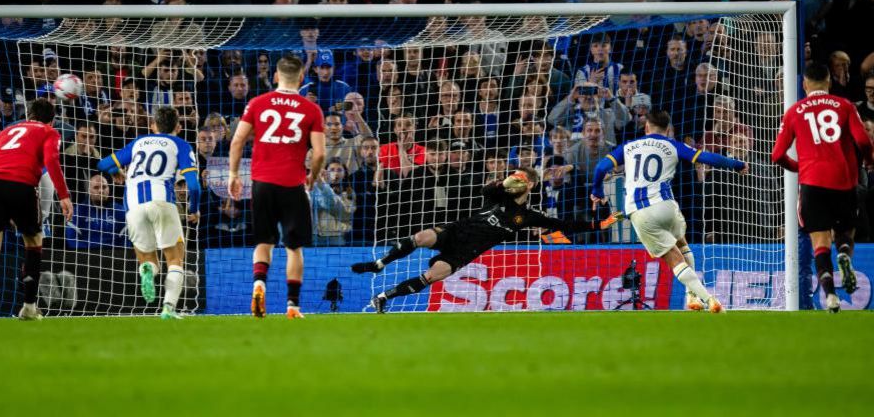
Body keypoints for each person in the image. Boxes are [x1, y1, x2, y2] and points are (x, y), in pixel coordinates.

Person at [351, 167, 621, 313]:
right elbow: (486, 190)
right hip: (457, 230)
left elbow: (565, 224)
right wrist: (502, 183)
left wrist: (602, 223)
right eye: (514, 175)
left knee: (431, 276)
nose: (514, 180)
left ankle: (384, 298)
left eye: (521, 178)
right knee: (420, 237)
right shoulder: (498, 196)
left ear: (530, 186)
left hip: (466, 252)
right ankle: (380, 263)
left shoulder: (527, 216)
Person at [591, 109, 747, 313]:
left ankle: (709, 300)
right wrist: (736, 164)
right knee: (681, 243)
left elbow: (600, 168)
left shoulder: (628, 146)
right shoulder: (672, 145)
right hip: (666, 206)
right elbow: (706, 158)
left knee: (673, 258)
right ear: (668, 129)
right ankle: (692, 296)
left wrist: (597, 190)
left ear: (646, 126)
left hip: (641, 211)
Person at [228, 55, 325, 319]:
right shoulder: (311, 109)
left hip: (262, 184)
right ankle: (292, 306)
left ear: (275, 77)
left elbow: (237, 141)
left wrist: (234, 174)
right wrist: (312, 177)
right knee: (294, 248)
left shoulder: (257, 103)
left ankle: (259, 284)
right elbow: (318, 154)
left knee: (263, 241)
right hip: (293, 184)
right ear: (302, 78)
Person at [771, 64, 874, 313]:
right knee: (845, 235)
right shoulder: (845, 105)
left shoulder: (794, 111)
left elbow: (776, 155)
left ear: (805, 84)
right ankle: (845, 257)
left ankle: (830, 296)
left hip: (811, 184)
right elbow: (862, 140)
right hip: (843, 182)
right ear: (828, 82)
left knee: (820, 242)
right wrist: (869, 160)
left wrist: (798, 167)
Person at [0, 98, 73, 321]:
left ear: (28, 115)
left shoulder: (8, 130)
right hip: (21, 184)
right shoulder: (48, 132)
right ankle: (28, 307)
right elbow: (52, 160)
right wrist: (64, 196)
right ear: (52, 121)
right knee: (33, 242)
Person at [97, 106, 200, 320]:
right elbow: (194, 186)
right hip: (163, 203)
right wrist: (194, 209)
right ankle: (169, 309)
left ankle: (147, 271)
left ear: (153, 126)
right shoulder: (180, 144)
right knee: (174, 260)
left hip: (133, 207)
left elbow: (103, 163)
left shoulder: (139, 142)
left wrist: (116, 172)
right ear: (179, 127)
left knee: (148, 260)